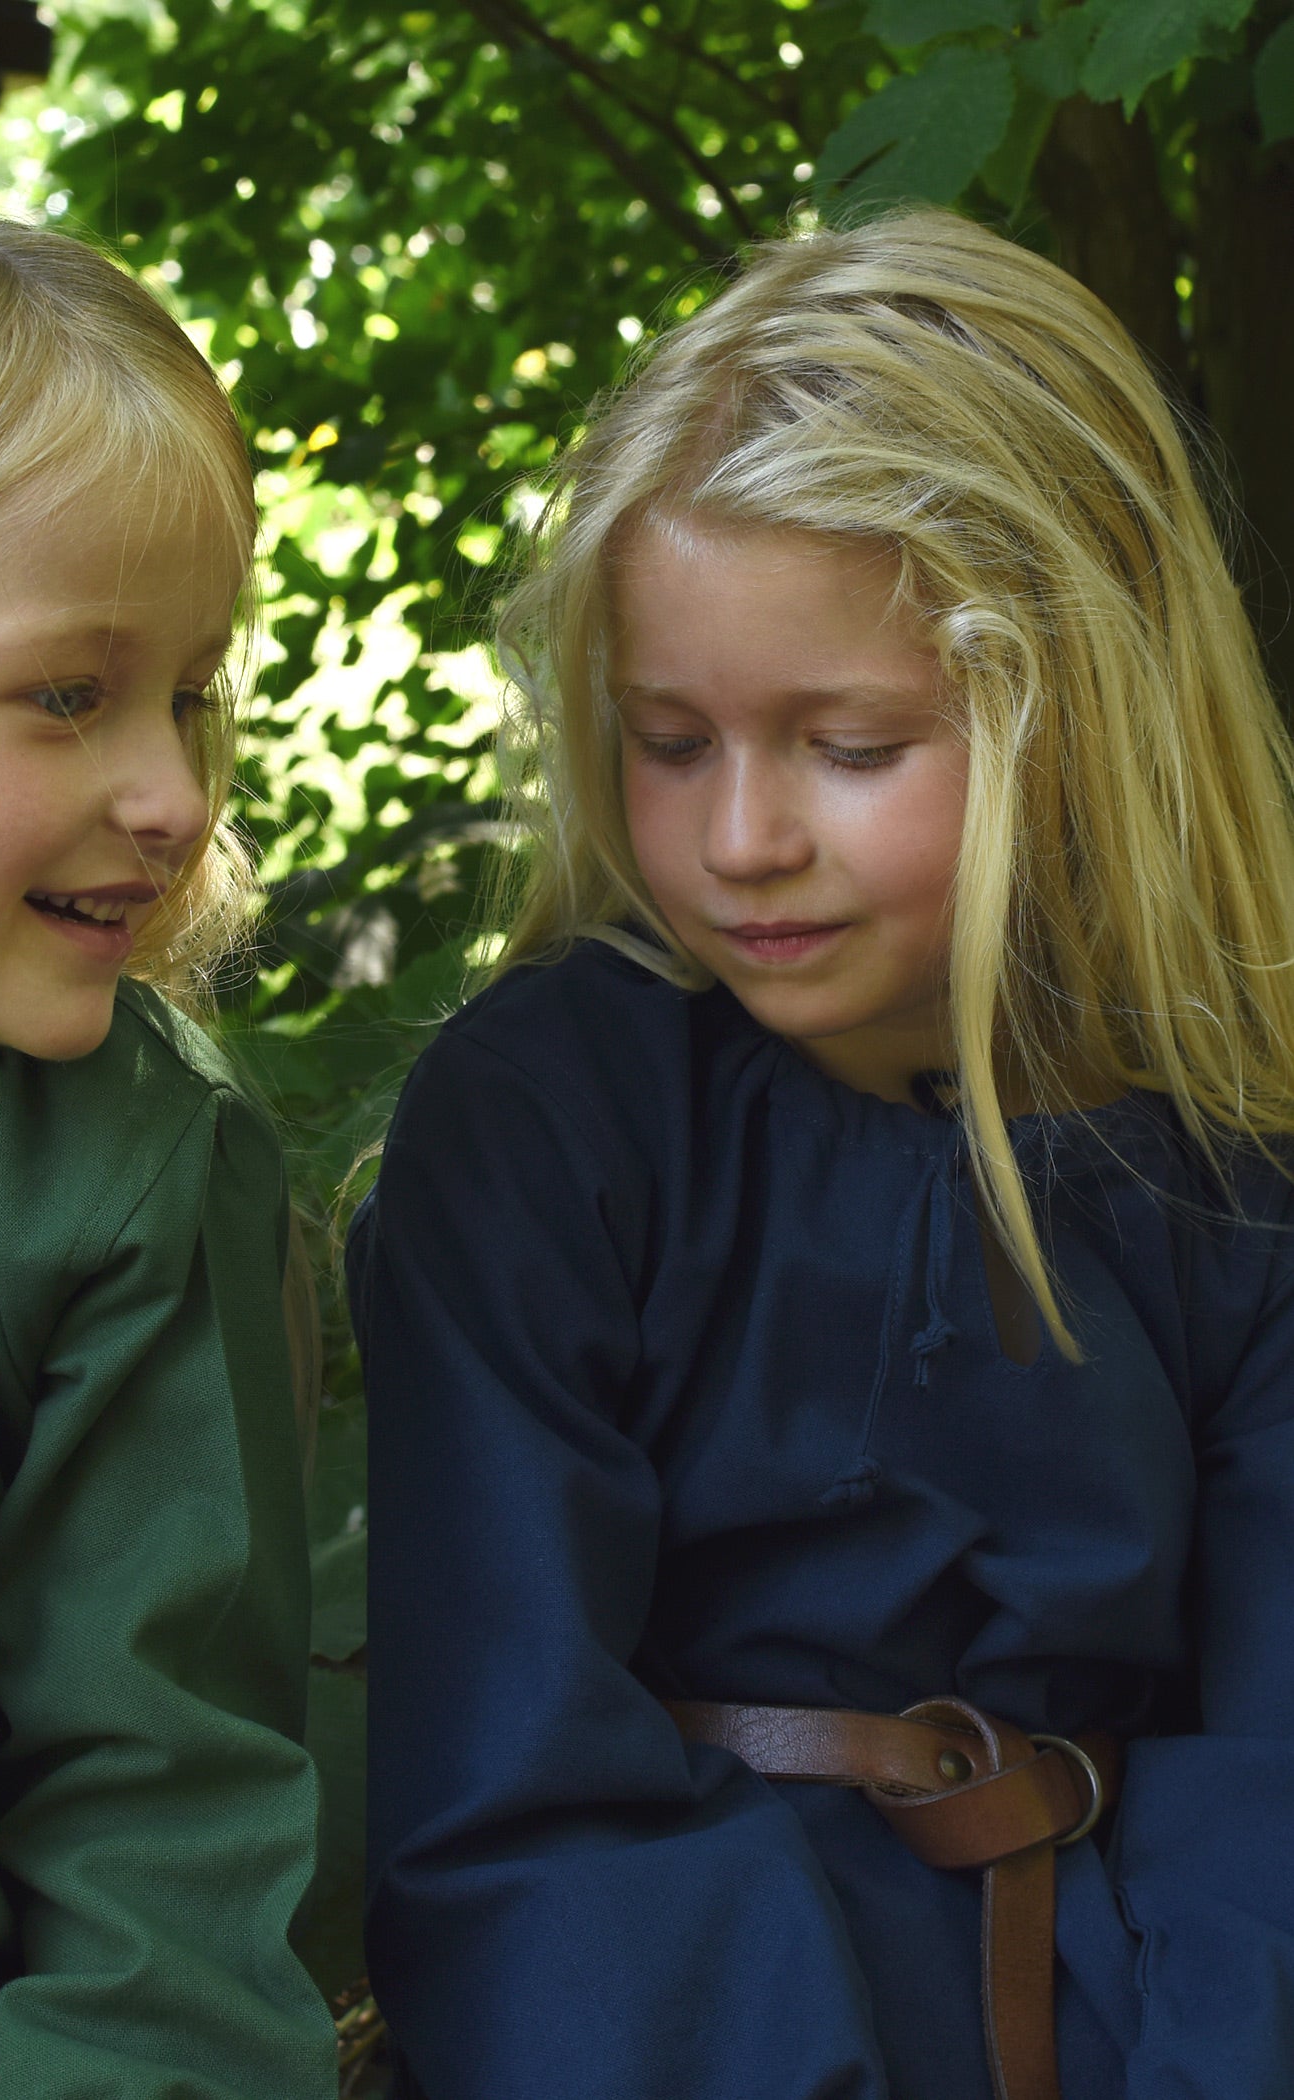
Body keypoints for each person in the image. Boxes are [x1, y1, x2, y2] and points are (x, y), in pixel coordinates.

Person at [347, 207, 1294, 2100]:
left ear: (1082, 711)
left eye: (850, 746)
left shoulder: (1235, 1168)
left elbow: (1273, 1780)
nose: (741, 835)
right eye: (670, 738)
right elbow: (507, 1786)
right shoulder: (551, 1124)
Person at [0, 184, 335, 2099]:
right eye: (68, 694)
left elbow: (160, 1838)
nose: (177, 794)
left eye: (190, 697)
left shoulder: (127, 1177)